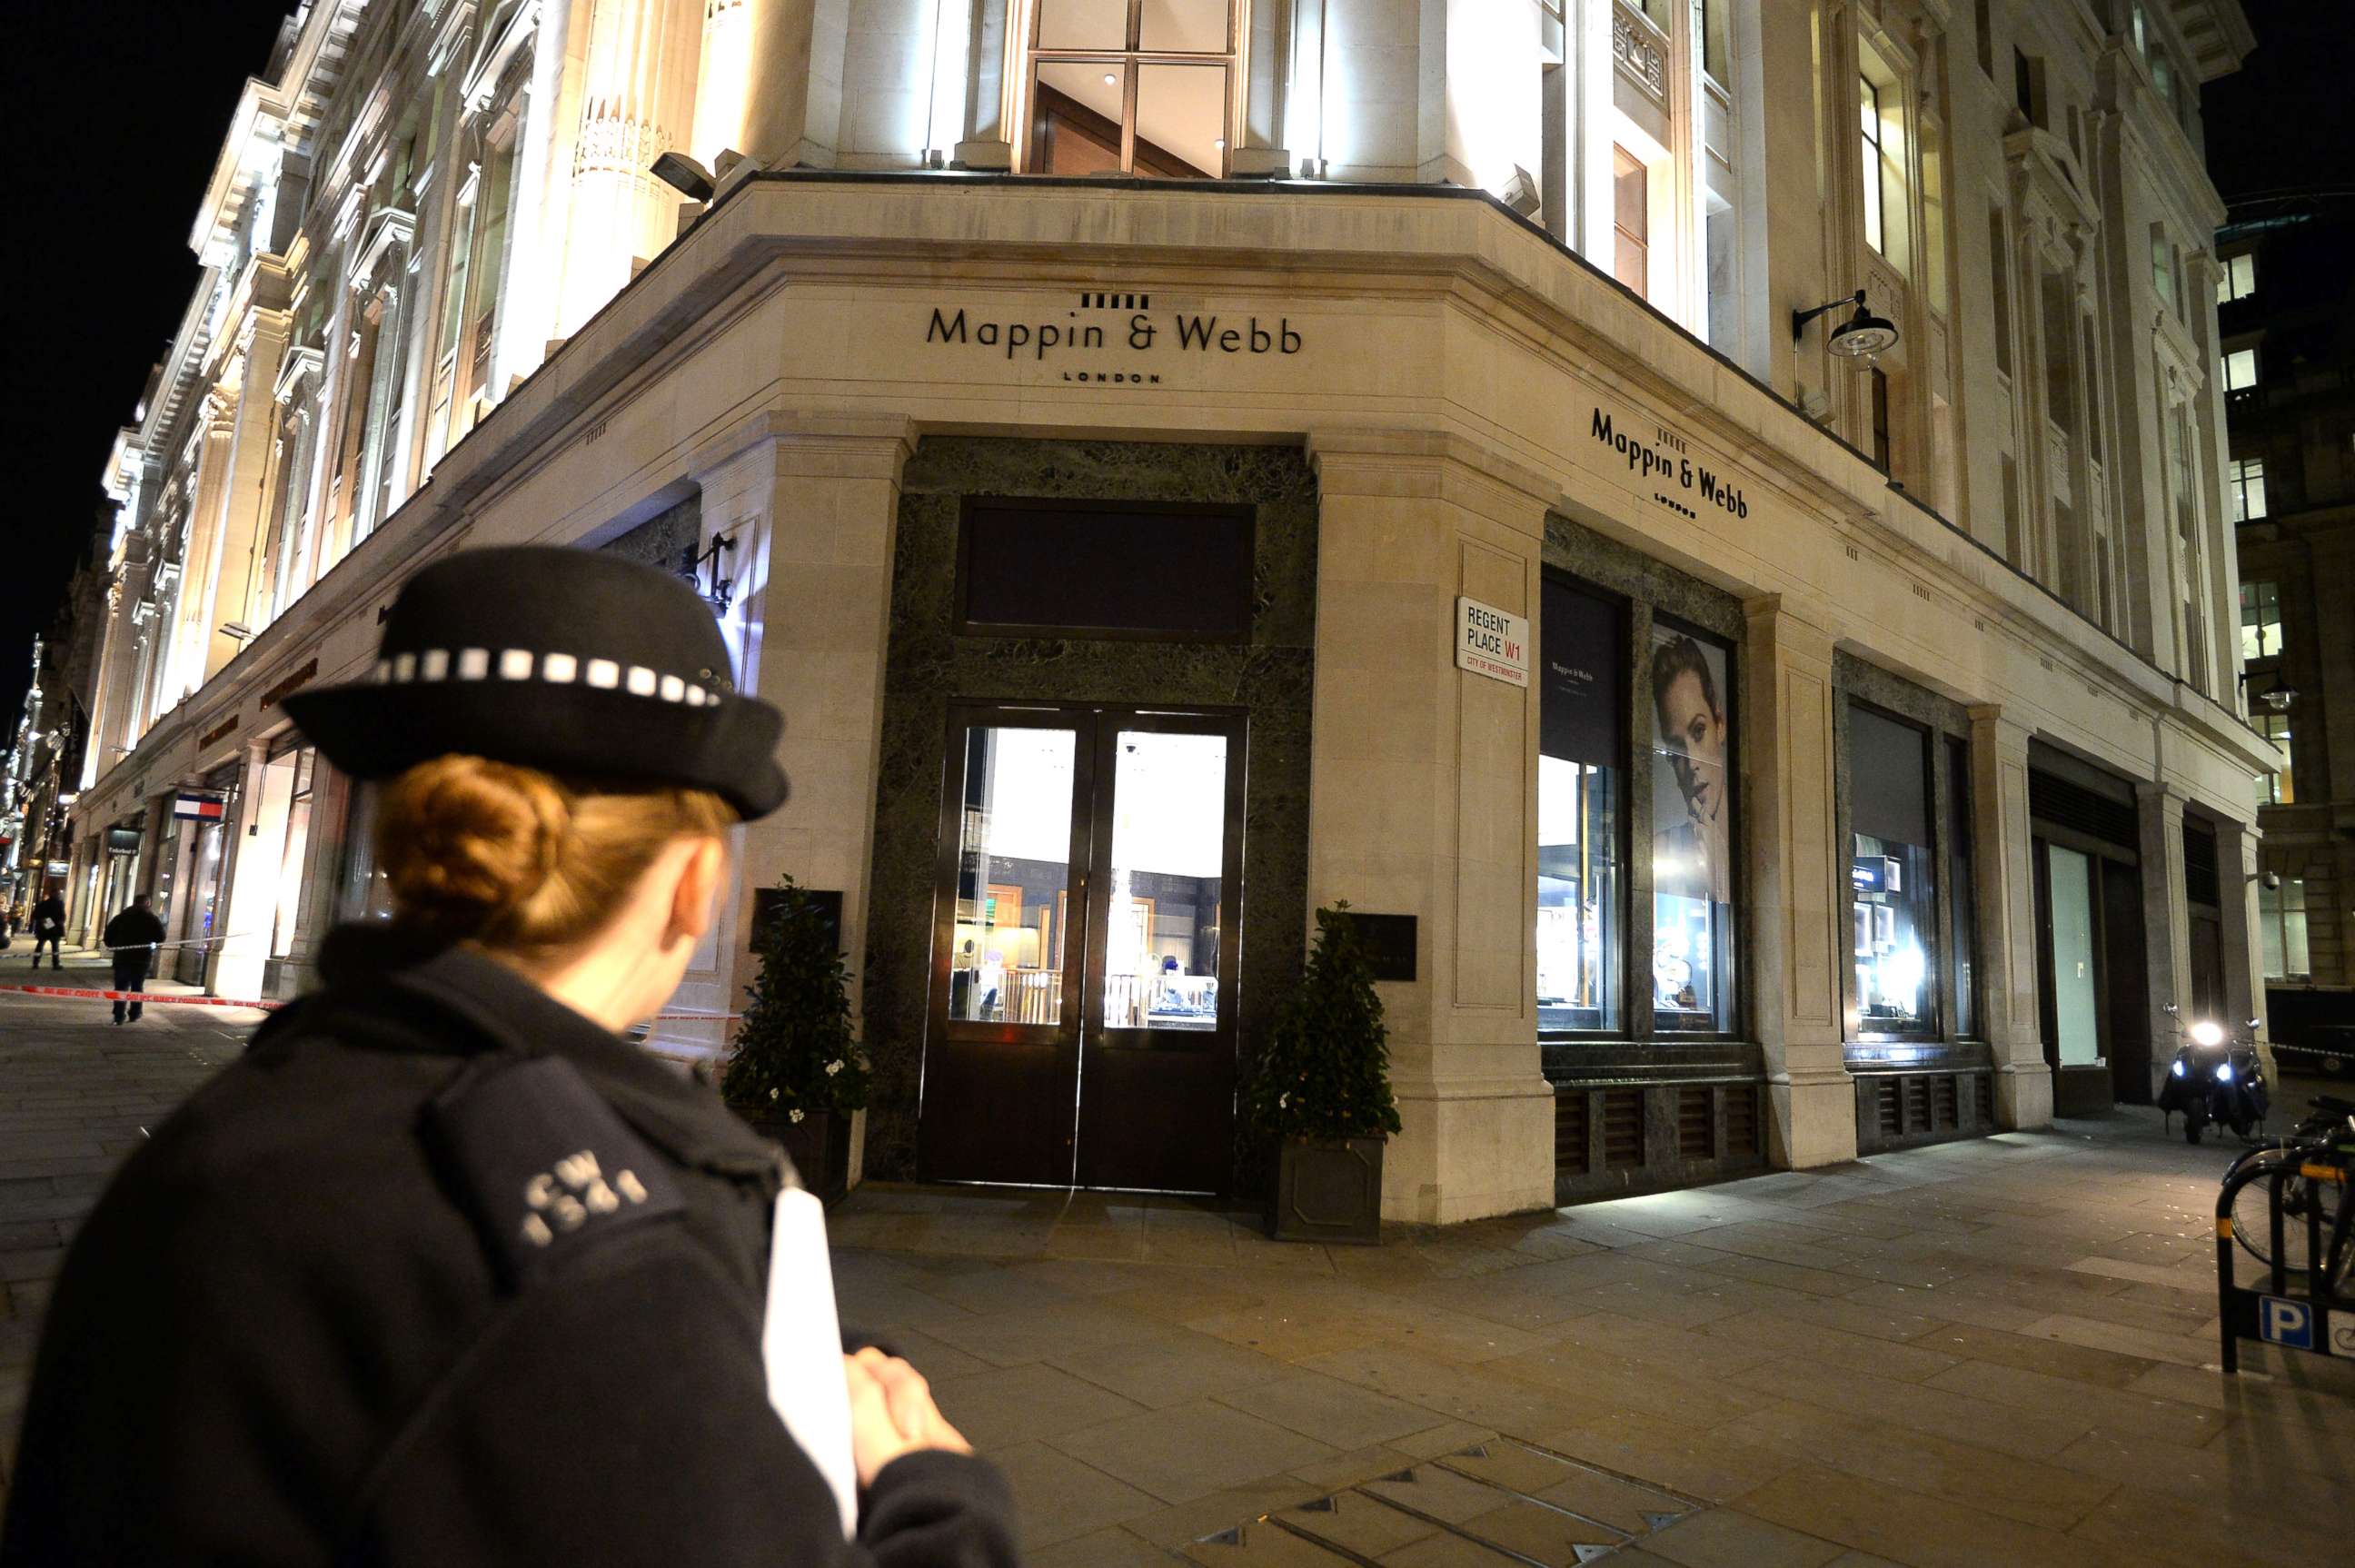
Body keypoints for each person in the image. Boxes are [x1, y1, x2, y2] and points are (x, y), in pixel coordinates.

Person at [3, 549, 1019, 1567]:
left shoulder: (212, 1141)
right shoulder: (604, 1264)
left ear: (411, 847)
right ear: (696, 883)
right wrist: (941, 1495)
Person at [101, 895, 166, 1024]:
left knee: (121, 986)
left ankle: (118, 1015)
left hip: (122, 957)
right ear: (147, 903)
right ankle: (135, 1013)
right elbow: (161, 937)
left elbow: (108, 935)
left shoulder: (121, 917)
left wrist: (114, 946)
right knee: (137, 986)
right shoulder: (151, 918)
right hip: (142, 958)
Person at [27, 888, 66, 969]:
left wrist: (44, 921)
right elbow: (62, 916)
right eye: (58, 893)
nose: (59, 895)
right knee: (55, 946)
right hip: (55, 928)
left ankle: (36, 963)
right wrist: (59, 923)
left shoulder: (43, 904)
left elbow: (35, 915)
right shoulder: (59, 904)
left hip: (44, 927)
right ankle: (55, 964)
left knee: (40, 944)